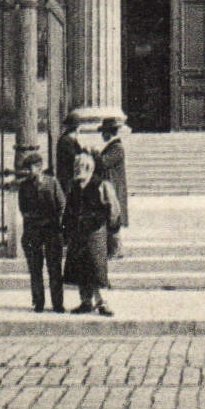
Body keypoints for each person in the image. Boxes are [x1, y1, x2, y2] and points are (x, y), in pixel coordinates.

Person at [62, 150, 119, 315]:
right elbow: (69, 210)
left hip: (95, 232)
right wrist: (67, 230)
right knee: (80, 268)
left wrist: (113, 230)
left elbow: (112, 210)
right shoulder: (74, 187)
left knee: (96, 269)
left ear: (90, 167)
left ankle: (102, 302)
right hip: (78, 234)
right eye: (77, 167)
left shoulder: (101, 185)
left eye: (83, 167)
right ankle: (85, 301)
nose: (80, 170)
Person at [15, 149, 66, 313]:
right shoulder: (24, 187)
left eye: (31, 168)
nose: (28, 172)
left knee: (54, 267)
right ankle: (38, 302)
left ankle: (58, 303)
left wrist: (56, 223)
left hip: (52, 231)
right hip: (33, 231)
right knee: (35, 268)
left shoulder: (53, 183)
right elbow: (23, 209)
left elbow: (62, 206)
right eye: (26, 169)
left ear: (39, 167)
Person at [95, 118, 128, 258]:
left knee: (113, 218)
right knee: (110, 218)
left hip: (114, 188)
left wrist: (94, 154)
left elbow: (103, 163)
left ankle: (117, 249)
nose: (102, 135)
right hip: (110, 186)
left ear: (110, 132)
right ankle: (114, 249)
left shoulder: (117, 148)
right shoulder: (112, 147)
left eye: (104, 132)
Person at [55, 114, 82, 196]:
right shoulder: (66, 140)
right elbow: (72, 157)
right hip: (67, 178)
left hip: (70, 177)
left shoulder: (71, 140)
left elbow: (79, 152)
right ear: (76, 128)